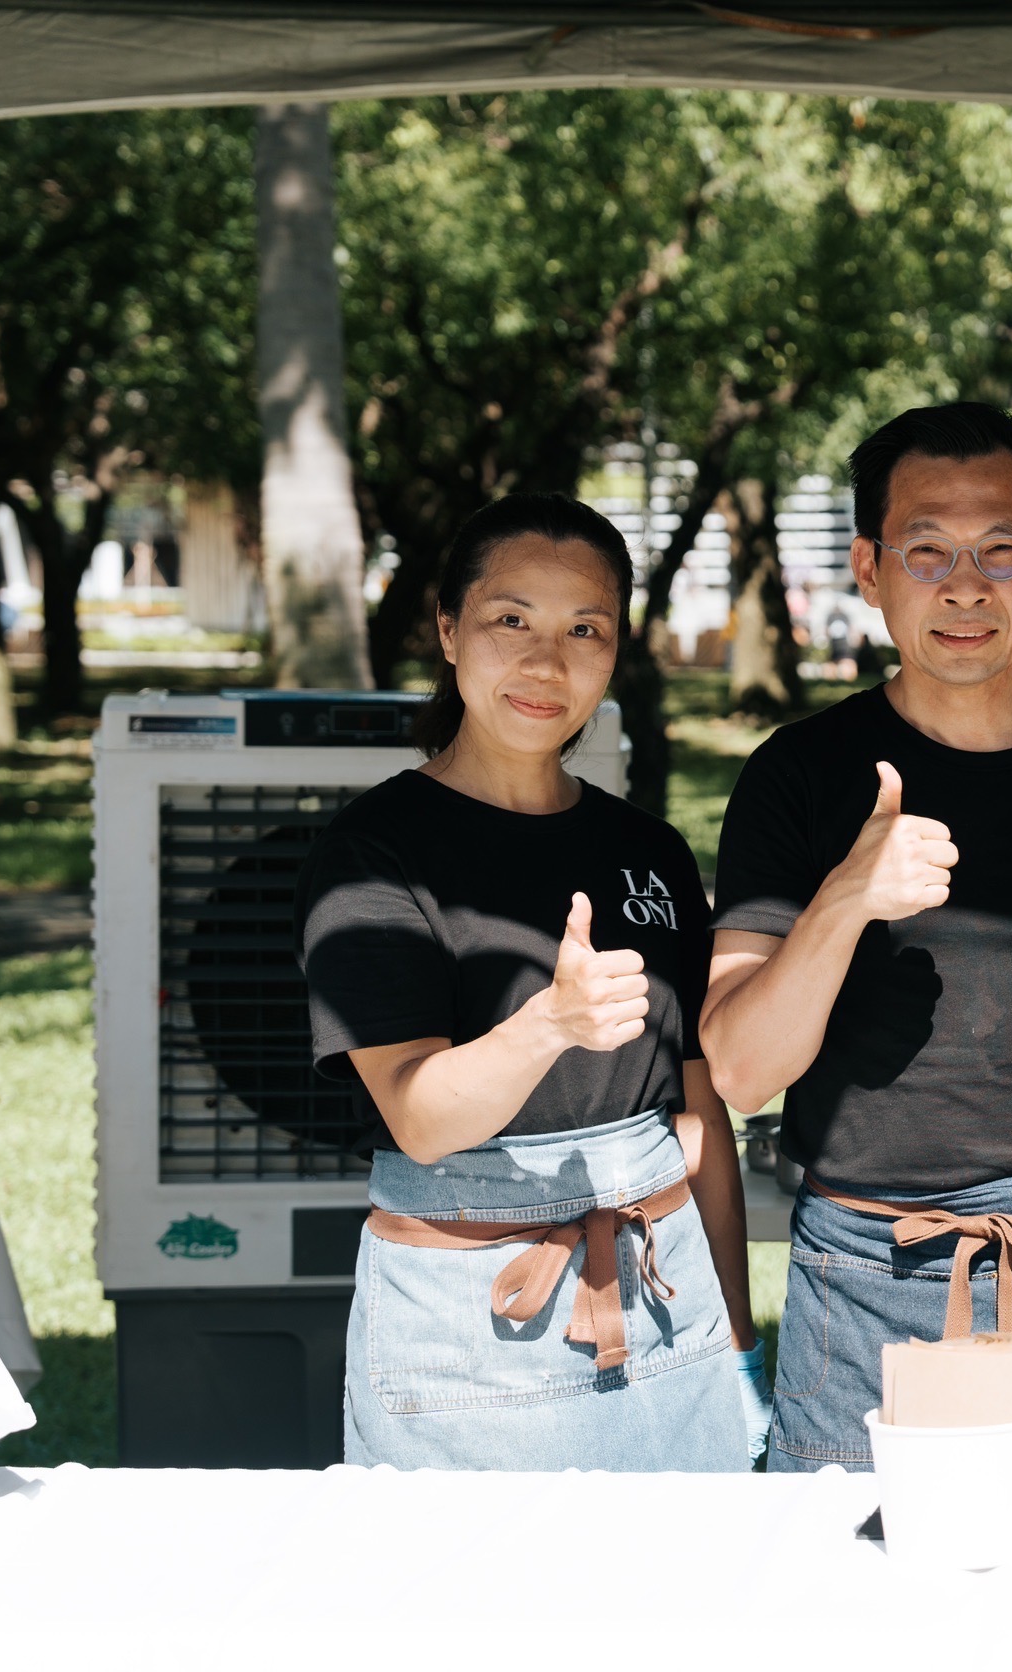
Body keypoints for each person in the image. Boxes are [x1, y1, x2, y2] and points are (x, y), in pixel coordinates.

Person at [702, 402, 1012, 1470]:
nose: (965, 586)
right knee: (856, 1612)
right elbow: (744, 1065)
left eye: (1000, 551)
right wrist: (846, 895)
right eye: (926, 551)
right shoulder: (797, 777)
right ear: (869, 567)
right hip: (864, 1264)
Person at [295, 494, 762, 1471]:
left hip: (668, 1300)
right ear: (448, 627)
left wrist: (739, 1339)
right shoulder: (375, 852)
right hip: (471, 1324)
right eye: (512, 621)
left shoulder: (649, 849)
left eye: (584, 629)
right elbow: (420, 1116)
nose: (547, 662)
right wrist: (548, 1022)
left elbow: (697, 1106)